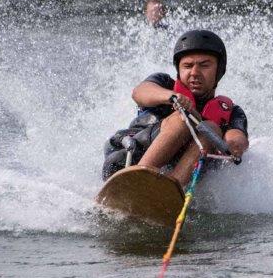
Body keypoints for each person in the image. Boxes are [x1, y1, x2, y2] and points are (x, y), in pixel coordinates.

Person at [102, 30, 249, 186]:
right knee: (183, 118)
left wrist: (235, 144)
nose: (194, 73)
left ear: (219, 70)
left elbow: (237, 136)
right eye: (187, 66)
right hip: (127, 158)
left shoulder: (231, 111)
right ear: (179, 69)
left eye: (204, 65)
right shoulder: (164, 84)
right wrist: (171, 97)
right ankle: (138, 181)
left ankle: (171, 191)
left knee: (211, 129)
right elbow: (139, 92)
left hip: (184, 176)